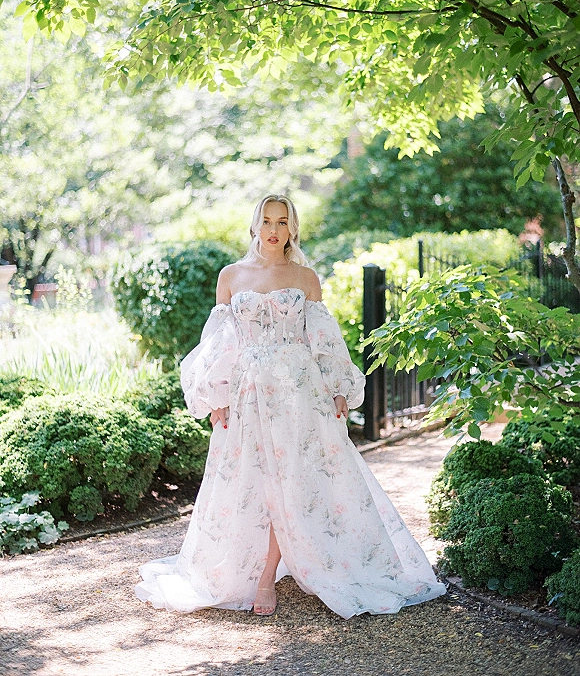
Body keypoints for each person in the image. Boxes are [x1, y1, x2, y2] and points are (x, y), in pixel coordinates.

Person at [135, 194, 446, 619]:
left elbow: (323, 339)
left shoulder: (305, 277)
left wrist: (339, 387)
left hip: (300, 393)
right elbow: (220, 343)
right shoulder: (231, 276)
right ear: (255, 225)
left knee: (295, 479)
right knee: (254, 478)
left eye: (282, 221)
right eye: (267, 221)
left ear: (292, 228)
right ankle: (257, 567)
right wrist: (216, 396)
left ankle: (267, 575)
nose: (274, 229)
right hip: (248, 394)